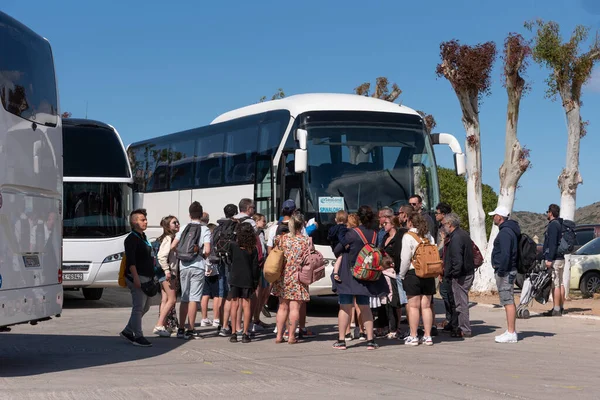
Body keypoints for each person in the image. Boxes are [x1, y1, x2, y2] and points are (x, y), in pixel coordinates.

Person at [332, 205, 389, 350]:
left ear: (358, 217)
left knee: (345, 306)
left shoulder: (352, 233)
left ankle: (341, 340)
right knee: (365, 307)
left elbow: (337, 249)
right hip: (367, 274)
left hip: (349, 273)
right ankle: (370, 340)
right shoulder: (375, 234)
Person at [173, 201, 211, 340]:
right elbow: (207, 250)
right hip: (198, 266)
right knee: (194, 299)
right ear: (201, 215)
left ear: (189, 215)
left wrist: (181, 254)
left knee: (184, 298)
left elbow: (173, 246)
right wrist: (200, 253)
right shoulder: (205, 229)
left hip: (184, 265)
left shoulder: (183, 228)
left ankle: (181, 329)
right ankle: (191, 329)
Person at [272, 213, 312, 344]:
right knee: (295, 307)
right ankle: (291, 336)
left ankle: (278, 335)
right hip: (299, 276)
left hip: (284, 276)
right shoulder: (306, 241)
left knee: (282, 306)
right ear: (302, 225)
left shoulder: (282, 239)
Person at [399, 211, 436, 346]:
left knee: (413, 307)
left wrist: (402, 274)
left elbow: (405, 259)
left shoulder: (408, 236)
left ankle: (413, 336)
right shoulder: (428, 236)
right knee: (426, 306)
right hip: (428, 273)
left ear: (410, 222)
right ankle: (428, 336)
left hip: (413, 273)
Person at [120, 209, 154, 347]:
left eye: (145, 219)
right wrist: (136, 278)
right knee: (138, 307)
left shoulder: (143, 237)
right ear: (134, 222)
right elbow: (131, 261)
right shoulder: (131, 239)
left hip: (147, 277)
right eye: (142, 219)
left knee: (145, 307)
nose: (145, 221)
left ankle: (128, 331)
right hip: (137, 276)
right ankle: (138, 336)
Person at [489, 206, 520, 344]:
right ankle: (510, 331)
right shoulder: (508, 230)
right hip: (507, 270)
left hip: (506, 272)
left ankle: (511, 332)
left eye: (494, 215)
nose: (493, 218)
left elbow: (506, 254)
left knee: (508, 301)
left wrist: (501, 270)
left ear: (499, 217)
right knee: (508, 300)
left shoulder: (505, 233)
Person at [442, 213, 475, 338]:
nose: (443, 226)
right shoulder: (463, 234)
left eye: (444, 224)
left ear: (450, 224)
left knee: (461, 303)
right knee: (461, 302)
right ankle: (462, 327)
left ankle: (464, 329)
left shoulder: (456, 238)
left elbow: (457, 260)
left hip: (461, 275)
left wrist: (453, 274)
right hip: (466, 272)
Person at [228, 223, 259, 343]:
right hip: (248, 278)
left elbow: (229, 260)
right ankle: (245, 333)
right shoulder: (253, 249)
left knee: (234, 305)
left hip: (235, 277)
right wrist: (255, 282)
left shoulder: (233, 245)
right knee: (246, 305)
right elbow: (255, 267)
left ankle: (234, 333)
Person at [381, 214, 408, 339]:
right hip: (384, 272)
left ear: (392, 224)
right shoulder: (385, 237)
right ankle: (389, 326)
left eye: (385, 223)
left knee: (395, 301)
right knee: (387, 300)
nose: (383, 225)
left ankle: (396, 327)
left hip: (394, 272)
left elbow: (398, 255)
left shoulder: (398, 237)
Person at [153, 215, 180, 337]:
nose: (177, 224)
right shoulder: (168, 239)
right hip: (167, 273)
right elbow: (161, 256)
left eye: (177, 222)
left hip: (163, 272)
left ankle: (162, 325)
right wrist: (167, 271)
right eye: (174, 223)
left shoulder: (168, 238)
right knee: (172, 299)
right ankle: (159, 325)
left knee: (165, 299)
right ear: (168, 226)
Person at [215, 204, 239, 337]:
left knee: (222, 293)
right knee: (231, 295)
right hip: (232, 262)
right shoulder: (236, 226)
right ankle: (225, 326)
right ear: (235, 213)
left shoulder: (219, 227)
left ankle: (220, 322)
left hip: (220, 261)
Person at [543, 204, 565, 316]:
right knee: (561, 283)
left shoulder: (552, 225)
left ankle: (556, 309)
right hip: (561, 258)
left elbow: (552, 244)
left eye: (548, 211)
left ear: (551, 213)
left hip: (555, 259)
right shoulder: (560, 224)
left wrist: (549, 259)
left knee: (555, 284)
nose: (547, 213)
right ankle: (561, 307)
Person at [435, 202, 455, 331]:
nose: (435, 215)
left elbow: (443, 250)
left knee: (447, 293)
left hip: (445, 265)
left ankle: (451, 320)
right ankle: (450, 319)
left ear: (443, 214)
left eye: (437, 213)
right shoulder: (441, 227)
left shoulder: (446, 229)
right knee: (444, 293)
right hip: (442, 264)